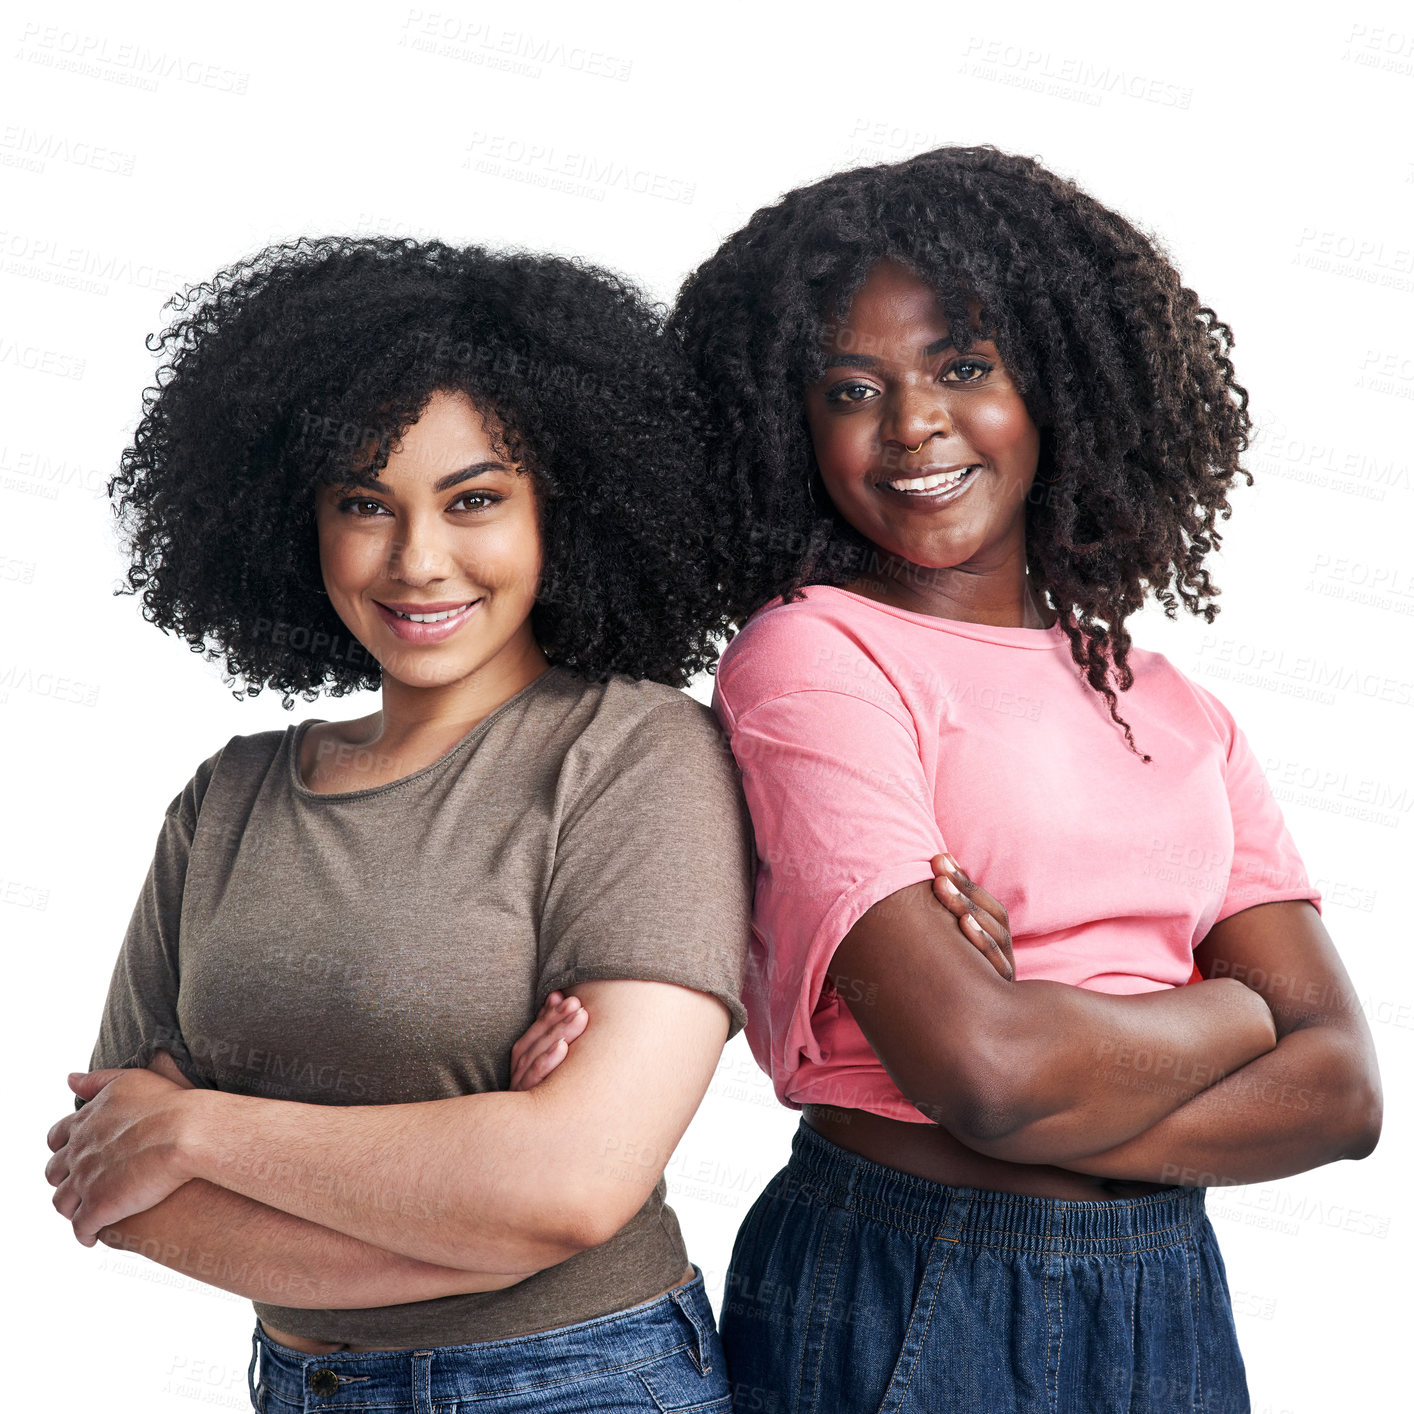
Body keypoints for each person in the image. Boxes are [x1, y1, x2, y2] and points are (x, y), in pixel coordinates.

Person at [544, 147, 1384, 1412]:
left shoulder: (1172, 704)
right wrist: (1231, 1016)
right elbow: (982, 1068)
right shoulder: (813, 655)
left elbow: (1342, 1091)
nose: (913, 425)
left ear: (1056, 384)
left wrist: (1051, 1090)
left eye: (961, 366)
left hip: (1166, 1286)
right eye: (849, 388)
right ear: (792, 426)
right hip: (917, 1271)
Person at [44, 236, 753, 1414]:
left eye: (474, 500)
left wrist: (203, 1127)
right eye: (364, 504)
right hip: (296, 1385)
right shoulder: (229, 797)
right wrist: (487, 1199)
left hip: (578, 1381)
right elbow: (116, 1188)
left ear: (559, 511)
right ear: (297, 523)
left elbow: (573, 1187)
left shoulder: (632, 755)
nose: (419, 560)